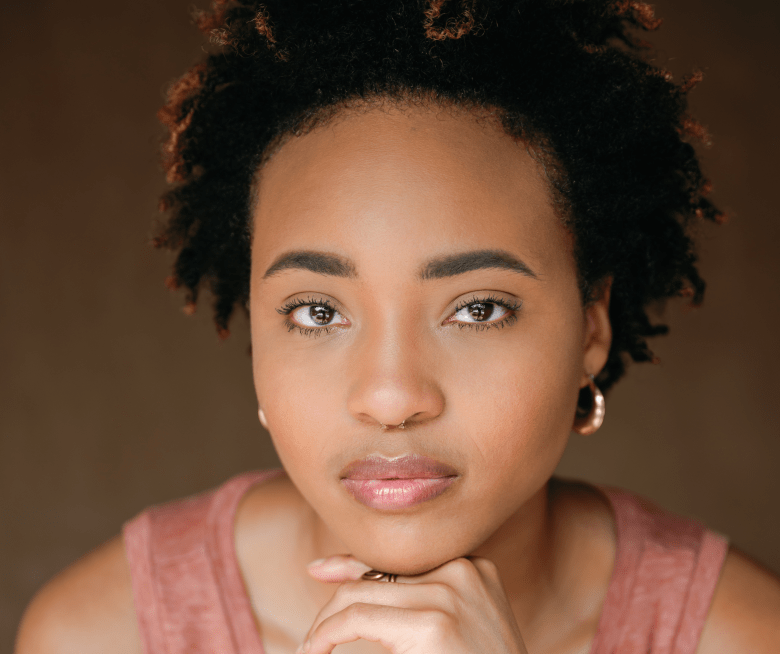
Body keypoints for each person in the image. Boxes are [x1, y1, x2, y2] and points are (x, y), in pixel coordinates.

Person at [15, 1, 780, 652]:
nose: (391, 397)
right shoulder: (106, 633)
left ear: (591, 328)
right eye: (317, 312)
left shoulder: (737, 634)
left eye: (478, 309)